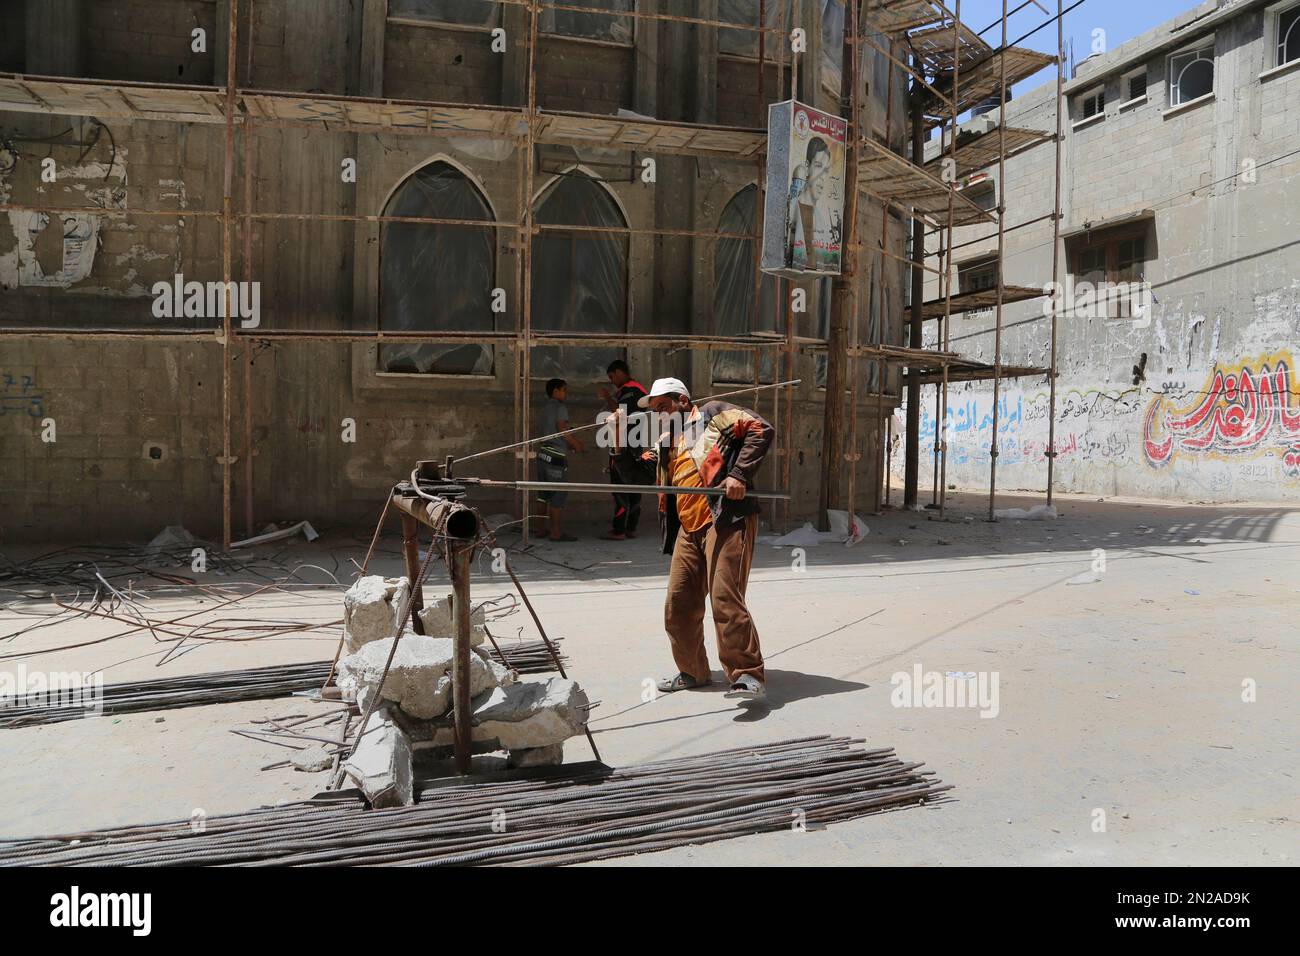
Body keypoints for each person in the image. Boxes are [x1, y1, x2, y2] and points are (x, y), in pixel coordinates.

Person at [635, 377, 773, 703]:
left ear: (682, 401)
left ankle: (748, 674)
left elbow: (760, 429)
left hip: (724, 519)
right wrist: (614, 438)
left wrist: (738, 475)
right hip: (688, 529)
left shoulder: (713, 414)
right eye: (656, 412)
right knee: (678, 605)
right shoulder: (668, 442)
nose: (660, 415)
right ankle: (693, 672)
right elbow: (637, 473)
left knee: (725, 599)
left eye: (664, 407)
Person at [597, 360, 649, 540]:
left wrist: (607, 397)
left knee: (620, 487)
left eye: (612, 377)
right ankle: (631, 528)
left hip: (623, 446)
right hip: (635, 445)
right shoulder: (639, 390)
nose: (612, 381)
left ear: (619, 372)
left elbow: (618, 415)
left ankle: (618, 530)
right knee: (634, 487)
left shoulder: (629, 390)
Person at [537, 378, 583, 542]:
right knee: (557, 495)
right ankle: (556, 533)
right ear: (555, 391)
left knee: (543, 495)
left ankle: (540, 530)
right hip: (555, 456)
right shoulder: (560, 407)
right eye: (564, 390)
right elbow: (562, 430)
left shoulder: (544, 409)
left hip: (542, 454)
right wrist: (576, 445)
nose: (566, 393)